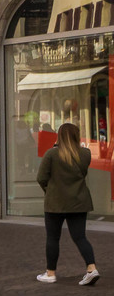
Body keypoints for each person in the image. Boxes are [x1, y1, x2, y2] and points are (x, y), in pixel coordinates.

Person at [36, 122, 100, 285]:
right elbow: (82, 173)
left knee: (52, 238)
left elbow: (41, 177)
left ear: (59, 136)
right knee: (80, 237)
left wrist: (49, 190)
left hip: (55, 203)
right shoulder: (85, 154)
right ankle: (92, 268)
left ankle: (50, 273)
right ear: (77, 136)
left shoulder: (51, 154)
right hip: (79, 201)